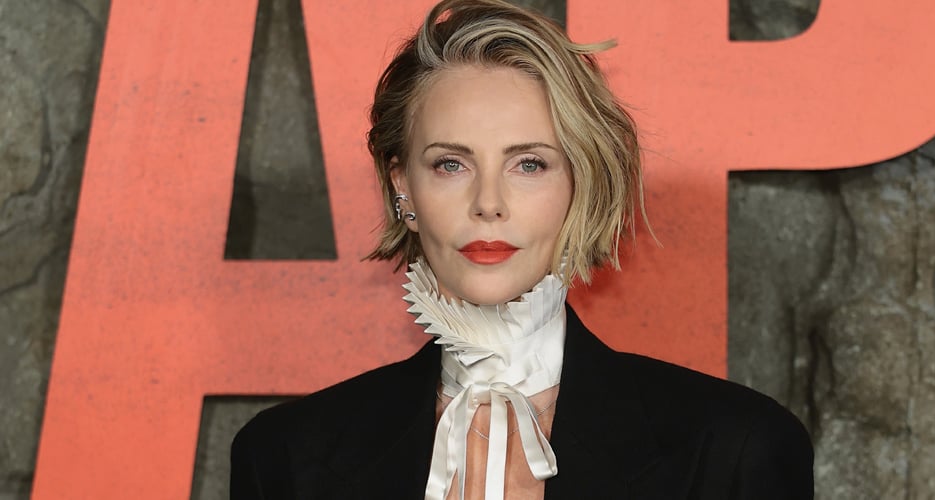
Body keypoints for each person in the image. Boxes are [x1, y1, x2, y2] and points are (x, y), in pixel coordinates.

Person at [230, 0, 814, 498]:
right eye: (450, 164)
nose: (489, 203)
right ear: (403, 185)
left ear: (581, 183)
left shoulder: (735, 451)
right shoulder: (283, 457)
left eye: (529, 164)